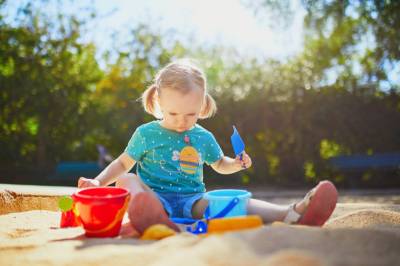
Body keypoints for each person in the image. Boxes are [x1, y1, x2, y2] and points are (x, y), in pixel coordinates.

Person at [78, 59, 337, 234]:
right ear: (158, 101)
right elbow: (123, 162)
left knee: (231, 199)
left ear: (202, 105)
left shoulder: (203, 137)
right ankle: (155, 218)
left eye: (191, 114)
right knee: (125, 179)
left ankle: (292, 214)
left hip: (194, 201)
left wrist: (235, 164)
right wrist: (99, 181)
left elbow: (219, 163)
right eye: (173, 113)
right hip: (154, 198)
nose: (182, 122)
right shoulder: (146, 133)